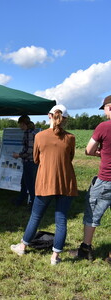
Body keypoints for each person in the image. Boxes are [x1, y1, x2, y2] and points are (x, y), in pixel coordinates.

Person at [10, 104, 78, 265]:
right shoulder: (71, 138)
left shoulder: (39, 137)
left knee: (36, 216)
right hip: (66, 183)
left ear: (49, 116)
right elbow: (70, 158)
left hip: (45, 181)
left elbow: (35, 159)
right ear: (65, 119)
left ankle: (22, 246)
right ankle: (55, 257)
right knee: (61, 219)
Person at [70, 95, 111, 262]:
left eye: (105, 109)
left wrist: (99, 152)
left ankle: (86, 249)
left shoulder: (104, 127)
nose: (104, 113)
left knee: (92, 213)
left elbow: (88, 149)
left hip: (106, 179)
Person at [12, 115, 38, 207]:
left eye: (20, 124)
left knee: (30, 184)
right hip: (29, 162)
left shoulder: (29, 134)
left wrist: (18, 155)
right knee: (24, 182)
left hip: (30, 162)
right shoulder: (31, 132)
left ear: (23, 124)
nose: (19, 127)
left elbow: (29, 151)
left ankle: (33, 204)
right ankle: (20, 199)